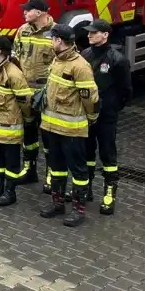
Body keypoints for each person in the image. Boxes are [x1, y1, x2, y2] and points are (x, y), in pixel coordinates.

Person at [39, 24, 99, 227]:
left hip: (72, 130)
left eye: (52, 39)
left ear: (59, 41)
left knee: (78, 171)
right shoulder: (57, 60)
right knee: (56, 167)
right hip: (51, 127)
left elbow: (90, 98)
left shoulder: (80, 66)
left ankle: (78, 210)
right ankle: (57, 204)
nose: (50, 42)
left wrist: (92, 117)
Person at [82, 19, 132, 215]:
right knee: (87, 151)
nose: (89, 35)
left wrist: (112, 108)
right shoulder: (85, 55)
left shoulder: (118, 60)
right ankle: (86, 188)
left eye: (94, 32)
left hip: (106, 114)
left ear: (105, 35)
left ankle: (109, 193)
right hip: (87, 113)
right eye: (89, 32)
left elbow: (125, 90)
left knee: (107, 153)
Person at [0, 35, 33, 207]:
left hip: (10, 128)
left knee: (11, 162)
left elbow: (25, 101)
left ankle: (10, 192)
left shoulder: (14, 74)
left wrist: (27, 118)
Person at [13, 0, 55, 187]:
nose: (24, 13)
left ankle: (51, 174)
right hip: (26, 93)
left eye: (27, 10)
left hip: (46, 93)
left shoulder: (56, 34)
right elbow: (16, 57)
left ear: (39, 13)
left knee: (48, 136)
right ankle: (29, 170)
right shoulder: (23, 31)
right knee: (28, 133)